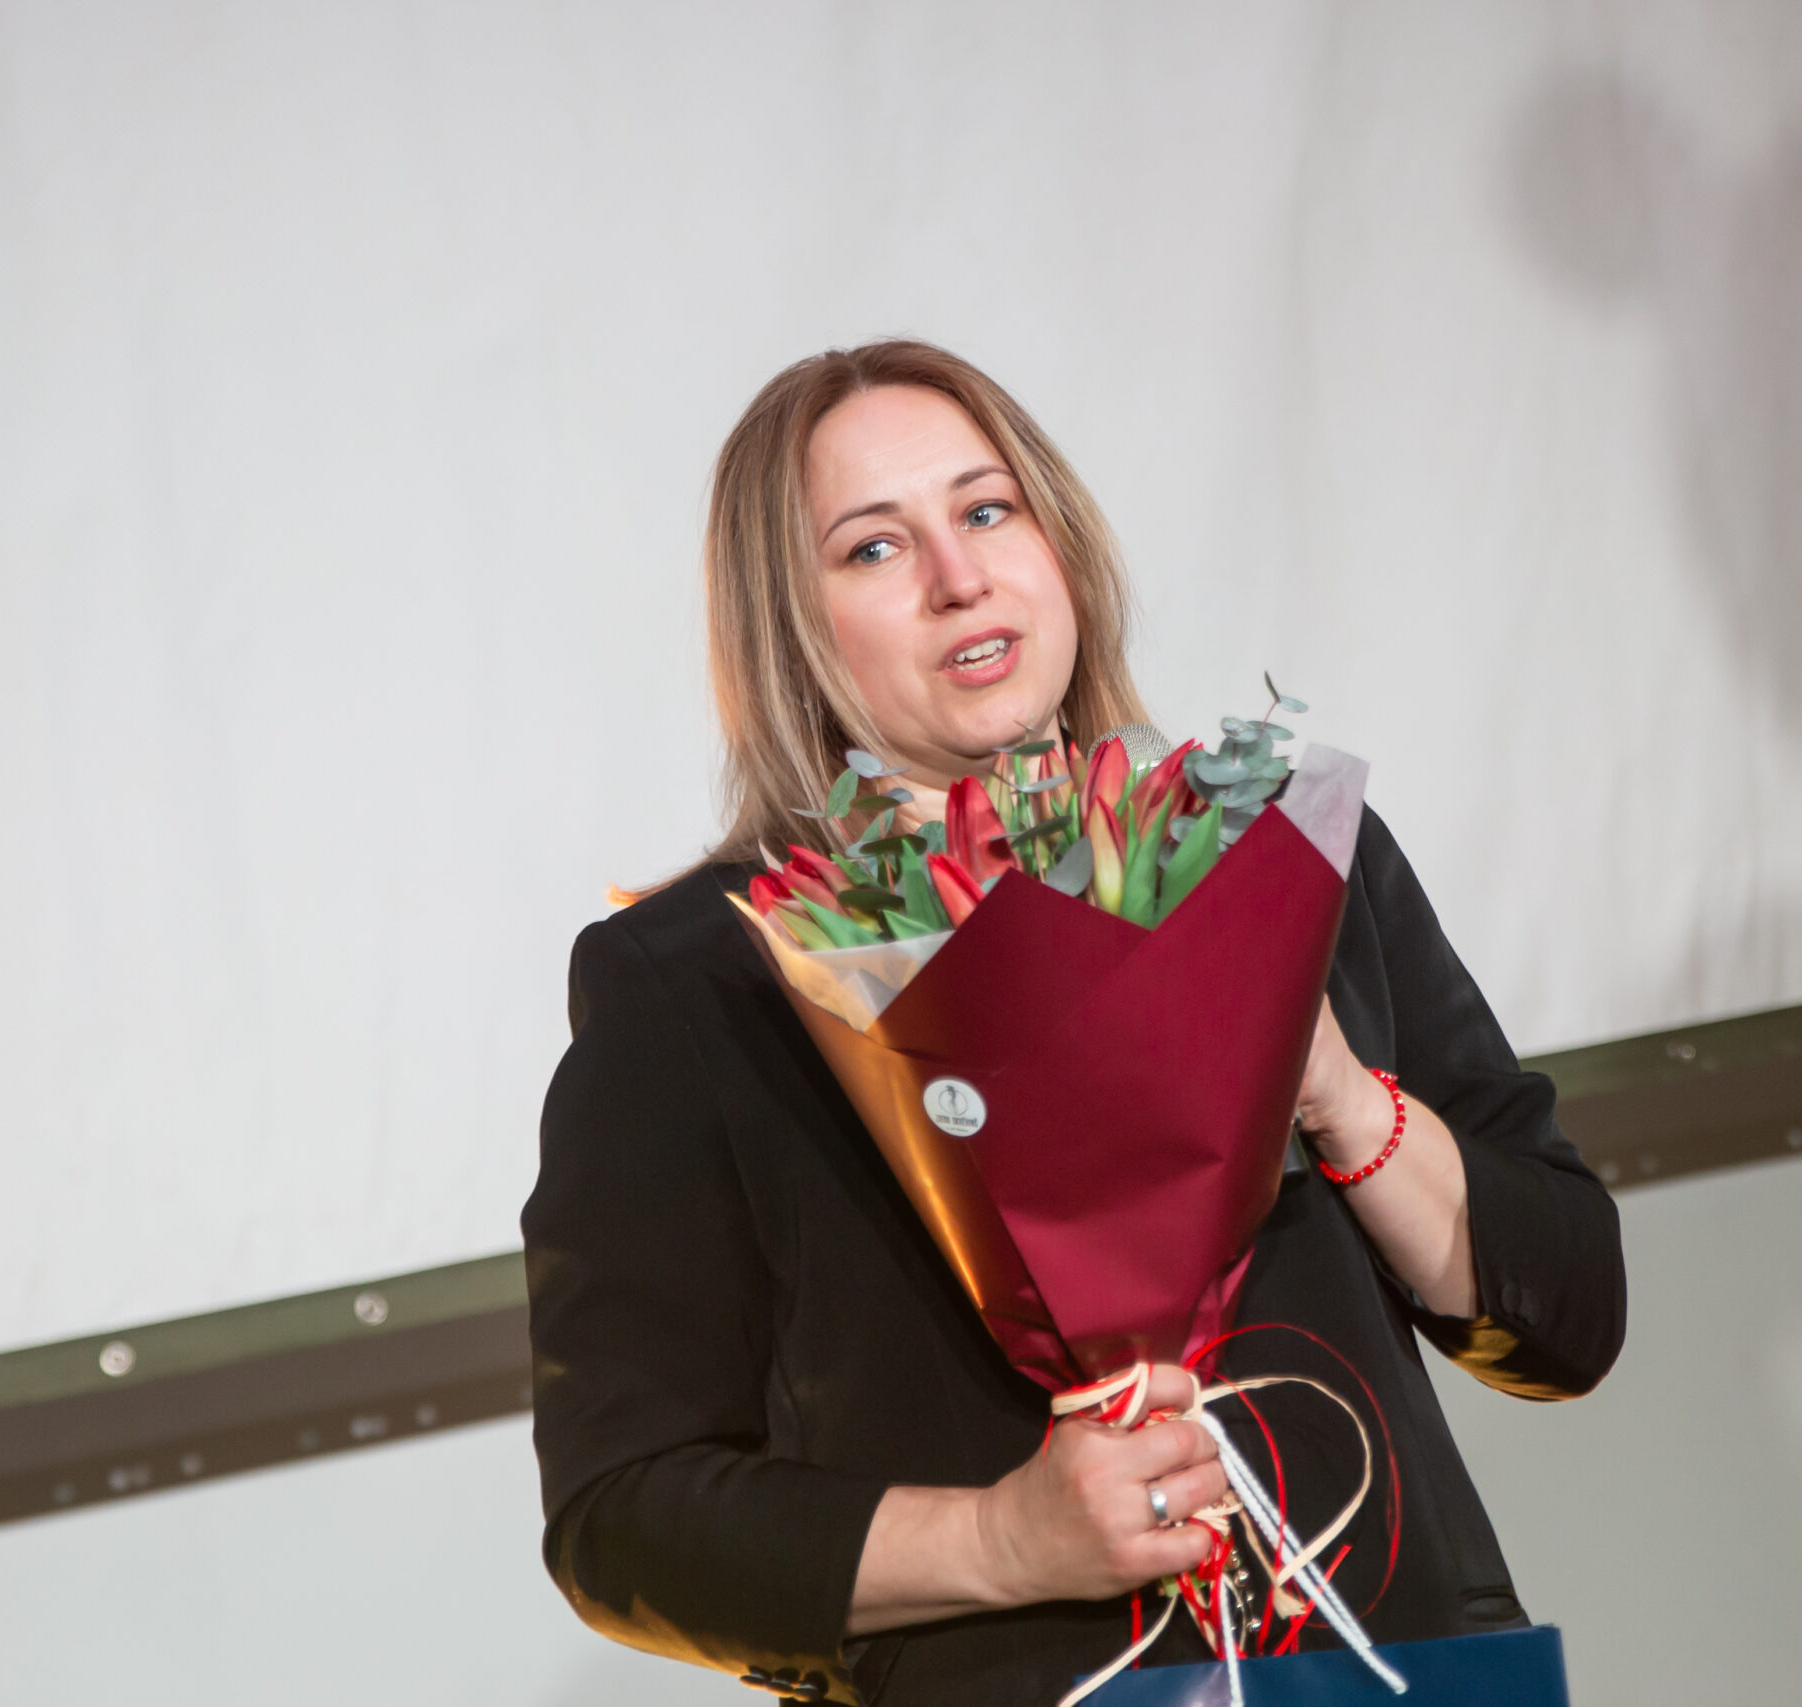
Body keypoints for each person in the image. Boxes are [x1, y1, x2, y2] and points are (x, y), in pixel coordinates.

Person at [523, 340, 1626, 1706]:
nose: (959, 577)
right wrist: (1001, 1543)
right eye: (873, 548)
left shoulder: (1276, 855)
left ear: (1060, 545)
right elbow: (622, 1520)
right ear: (788, 625)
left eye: (988, 510)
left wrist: (1344, 1097)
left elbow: (1572, 1312)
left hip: (1393, 1667)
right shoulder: (707, 980)